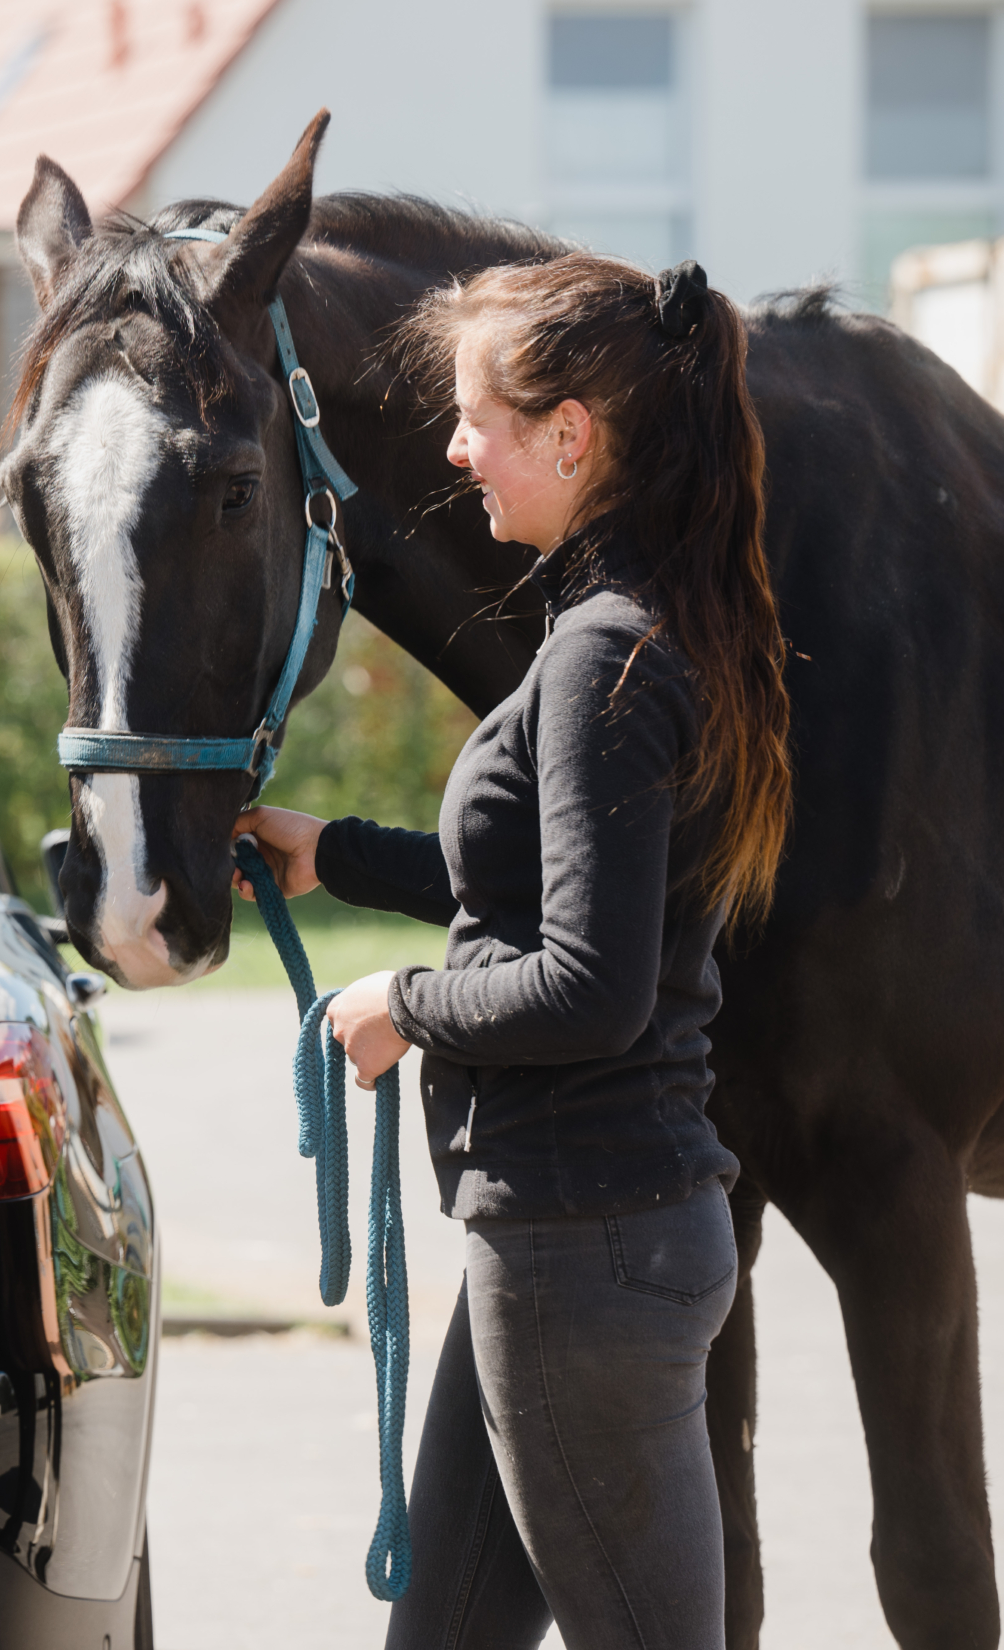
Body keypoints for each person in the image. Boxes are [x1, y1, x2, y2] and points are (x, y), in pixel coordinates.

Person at [235, 257, 793, 1649]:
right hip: (567, 1240)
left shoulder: (609, 658)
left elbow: (589, 987)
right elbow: (551, 894)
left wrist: (400, 1007)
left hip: (579, 1249)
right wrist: (340, 854)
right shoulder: (641, 630)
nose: (453, 448)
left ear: (569, 435)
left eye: (478, 416)